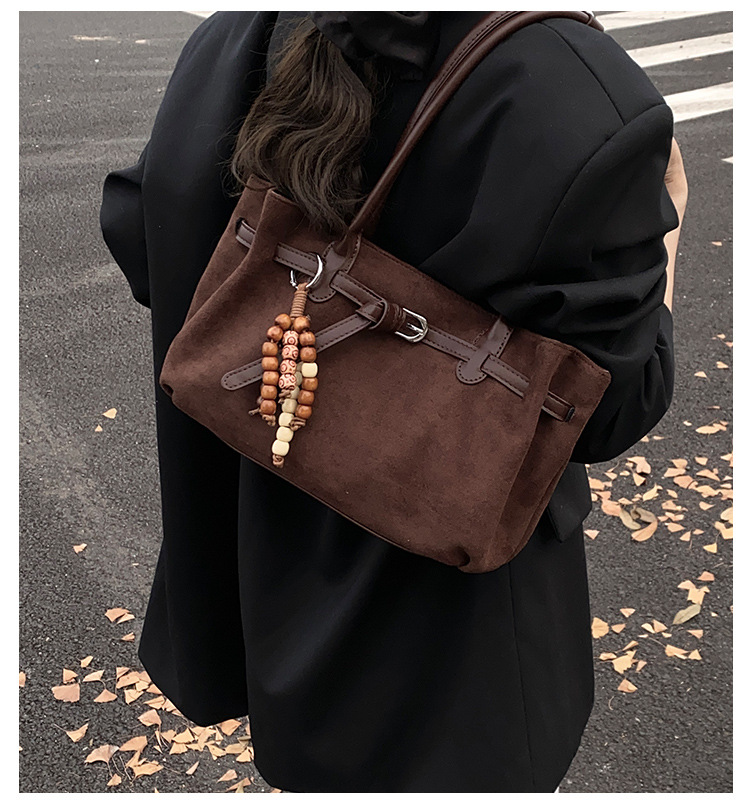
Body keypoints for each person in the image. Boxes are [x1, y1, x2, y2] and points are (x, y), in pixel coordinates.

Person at [100, 11, 688, 793]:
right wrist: (672, 212)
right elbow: (612, 407)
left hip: (256, 575)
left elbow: (146, 240)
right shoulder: (574, 89)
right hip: (456, 662)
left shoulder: (236, 33)